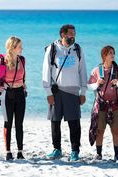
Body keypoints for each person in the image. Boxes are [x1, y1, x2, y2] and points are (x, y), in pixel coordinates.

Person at [42, 24, 87, 161]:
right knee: (55, 122)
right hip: (56, 91)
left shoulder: (78, 50)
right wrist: (48, 92)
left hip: (73, 91)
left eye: (74, 34)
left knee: (74, 122)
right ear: (63, 35)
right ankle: (57, 149)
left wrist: (83, 91)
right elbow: (46, 71)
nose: (73, 36)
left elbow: (82, 71)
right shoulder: (52, 49)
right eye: (70, 34)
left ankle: (75, 151)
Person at [0, 36, 27, 161]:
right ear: (13, 47)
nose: (22, 48)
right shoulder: (2, 61)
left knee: (19, 124)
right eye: (19, 46)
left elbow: (24, 75)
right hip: (7, 95)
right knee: (8, 123)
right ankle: (8, 152)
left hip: (20, 93)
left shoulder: (22, 60)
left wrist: (24, 85)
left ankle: (20, 152)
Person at [88, 45, 118, 161]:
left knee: (115, 130)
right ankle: (99, 154)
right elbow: (89, 86)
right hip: (101, 104)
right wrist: (97, 84)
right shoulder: (96, 70)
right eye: (110, 53)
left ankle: (117, 154)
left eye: (113, 53)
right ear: (104, 56)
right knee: (100, 130)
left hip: (114, 104)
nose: (113, 55)